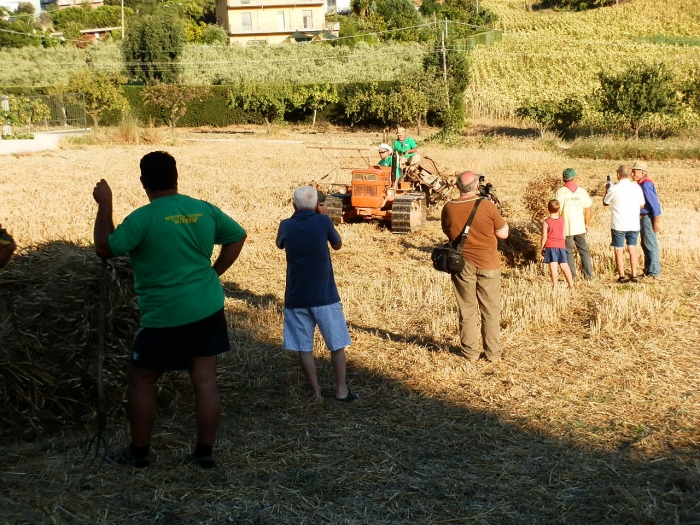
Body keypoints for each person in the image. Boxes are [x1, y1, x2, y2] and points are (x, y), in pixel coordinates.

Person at [92, 151, 247, 469]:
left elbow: (104, 248)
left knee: (142, 381)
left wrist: (104, 202)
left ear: (143, 182)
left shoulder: (143, 218)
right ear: (176, 177)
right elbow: (237, 235)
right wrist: (214, 273)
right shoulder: (201, 210)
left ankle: (138, 454)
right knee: (205, 380)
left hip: (164, 316)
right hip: (206, 308)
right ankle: (204, 454)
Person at [276, 185, 356, 402]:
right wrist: (323, 216)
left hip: (296, 297)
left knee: (304, 347)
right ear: (316, 205)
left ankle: (316, 393)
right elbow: (337, 245)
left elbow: (280, 244)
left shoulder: (285, 225)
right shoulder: (323, 221)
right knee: (336, 344)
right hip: (325, 296)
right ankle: (341, 391)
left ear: (294, 205)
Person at [441, 171, 509, 363]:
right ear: (477, 187)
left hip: (461, 265)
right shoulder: (487, 206)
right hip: (489, 264)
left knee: (467, 309)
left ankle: (470, 353)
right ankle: (493, 354)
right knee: (490, 310)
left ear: (457, 187)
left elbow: (447, 231)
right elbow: (503, 234)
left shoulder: (448, 207)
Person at [603, 165, 645, 283]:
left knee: (618, 250)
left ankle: (621, 276)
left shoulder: (614, 188)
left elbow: (605, 202)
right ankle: (634, 275)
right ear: (630, 174)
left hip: (619, 224)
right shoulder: (636, 187)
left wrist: (607, 190)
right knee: (632, 249)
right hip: (633, 224)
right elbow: (642, 205)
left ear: (618, 175)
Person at [553, 168, 594, 281]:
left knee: (568, 251)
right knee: (584, 251)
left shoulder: (560, 192)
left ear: (564, 179)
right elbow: (588, 209)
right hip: (580, 226)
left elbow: (555, 210)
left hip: (565, 228)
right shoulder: (581, 191)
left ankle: (572, 276)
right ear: (575, 178)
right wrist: (587, 224)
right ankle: (589, 275)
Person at [631, 161, 662, 278]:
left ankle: (654, 272)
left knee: (650, 244)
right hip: (643, 218)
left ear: (643, 173)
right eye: (632, 171)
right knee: (645, 244)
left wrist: (656, 222)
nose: (632, 174)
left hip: (647, 218)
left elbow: (654, 205)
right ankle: (649, 270)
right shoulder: (641, 184)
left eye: (635, 172)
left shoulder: (645, 185)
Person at [540, 200, 574, 289]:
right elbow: (564, 234)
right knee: (564, 265)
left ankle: (555, 286)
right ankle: (571, 284)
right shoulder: (562, 220)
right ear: (559, 209)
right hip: (561, 245)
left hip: (551, 245)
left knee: (553, 266)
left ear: (548, 209)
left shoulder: (546, 222)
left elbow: (544, 237)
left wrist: (542, 247)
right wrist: (563, 243)